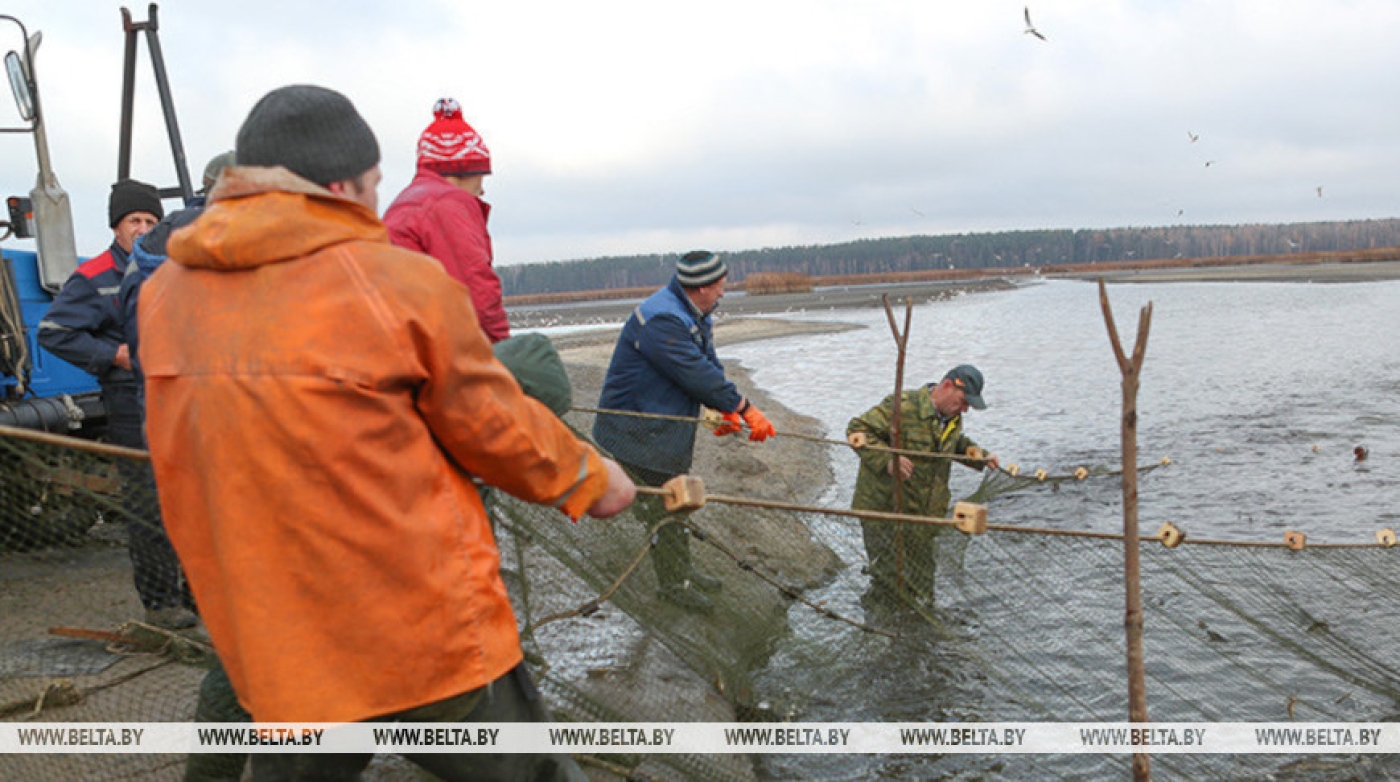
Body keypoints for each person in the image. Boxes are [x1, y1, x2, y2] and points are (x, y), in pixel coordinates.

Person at [139, 84, 634, 781]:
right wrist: (591, 477)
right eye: (373, 186)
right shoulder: (395, 283)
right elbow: (492, 423)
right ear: (342, 185)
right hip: (419, 633)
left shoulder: (163, 296)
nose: (377, 204)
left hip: (275, 643)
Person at [36, 179, 197, 630]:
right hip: (129, 402)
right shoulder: (94, 277)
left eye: (150, 221)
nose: (142, 229)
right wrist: (114, 355)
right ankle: (162, 603)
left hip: (177, 398)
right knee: (149, 504)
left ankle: (198, 594)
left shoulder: (170, 269)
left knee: (191, 501)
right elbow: (54, 332)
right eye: (134, 221)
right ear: (116, 227)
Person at [592, 250, 776, 613]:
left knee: (676, 495)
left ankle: (682, 570)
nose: (724, 291)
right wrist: (744, 408)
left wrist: (723, 407)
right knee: (664, 503)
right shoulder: (663, 319)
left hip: (661, 422)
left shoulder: (694, 312)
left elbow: (708, 363)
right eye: (720, 285)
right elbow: (694, 373)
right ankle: (674, 585)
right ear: (703, 287)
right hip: (636, 426)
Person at [846, 365, 999, 606]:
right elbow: (858, 430)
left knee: (923, 582)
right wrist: (888, 460)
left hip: (923, 515)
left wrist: (979, 455)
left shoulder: (951, 418)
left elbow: (953, 443)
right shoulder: (903, 406)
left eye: (968, 405)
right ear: (947, 386)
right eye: (963, 402)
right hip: (883, 510)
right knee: (888, 579)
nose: (965, 409)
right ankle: (881, 621)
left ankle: (919, 623)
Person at [383, 97, 510, 343]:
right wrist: (502, 350)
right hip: (430, 346)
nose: (482, 190)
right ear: (464, 171)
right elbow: (476, 291)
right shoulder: (446, 204)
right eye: (481, 177)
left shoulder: (405, 202)